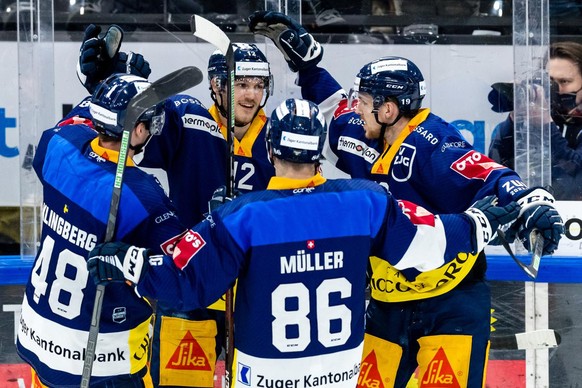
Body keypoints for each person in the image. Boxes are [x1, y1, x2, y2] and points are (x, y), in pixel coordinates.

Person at [86, 97, 520, 388]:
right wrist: (479, 223)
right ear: (319, 152)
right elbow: (430, 244)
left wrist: (129, 262)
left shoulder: (243, 216)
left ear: (270, 148)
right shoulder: (364, 203)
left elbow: (184, 280)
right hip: (338, 374)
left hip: (264, 375)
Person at [248, 11, 564, 387]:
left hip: (450, 302)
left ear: (389, 108)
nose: (356, 108)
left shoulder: (436, 146)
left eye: (363, 101)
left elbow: (495, 177)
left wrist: (535, 204)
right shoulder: (364, 132)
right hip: (387, 303)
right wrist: (308, 66)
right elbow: (335, 109)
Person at [72, 28, 277, 387]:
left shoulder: (278, 137)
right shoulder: (188, 118)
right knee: (179, 382)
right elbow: (129, 124)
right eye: (241, 83)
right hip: (188, 282)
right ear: (216, 85)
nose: (251, 94)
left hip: (252, 290)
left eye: (258, 85)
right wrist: (105, 82)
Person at [16, 74, 187, 387]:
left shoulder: (56, 145)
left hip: (37, 335)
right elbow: (180, 271)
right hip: (102, 358)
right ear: (137, 130)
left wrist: (99, 81)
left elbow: (73, 124)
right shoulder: (142, 197)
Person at [487, 41, 582, 200]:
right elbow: (494, 168)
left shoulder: (546, 121)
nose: (555, 89)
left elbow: (576, 174)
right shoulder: (532, 118)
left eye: (564, 81)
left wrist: (546, 124)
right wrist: (514, 120)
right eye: (550, 81)